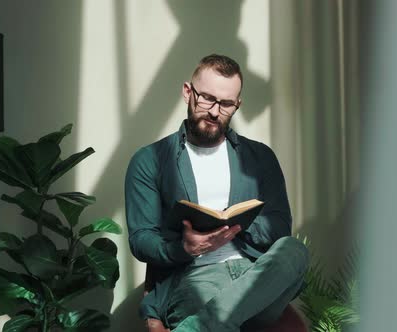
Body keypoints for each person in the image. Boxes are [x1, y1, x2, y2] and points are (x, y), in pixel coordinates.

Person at [125, 54, 309, 331]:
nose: (214, 111)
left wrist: (236, 227)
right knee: (216, 302)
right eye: (207, 98)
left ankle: (201, 327)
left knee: (294, 250)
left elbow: (280, 226)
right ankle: (216, 321)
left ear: (237, 105)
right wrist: (184, 247)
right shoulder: (149, 160)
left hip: (255, 274)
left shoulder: (260, 157)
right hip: (195, 277)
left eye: (225, 104)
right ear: (188, 92)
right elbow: (141, 239)